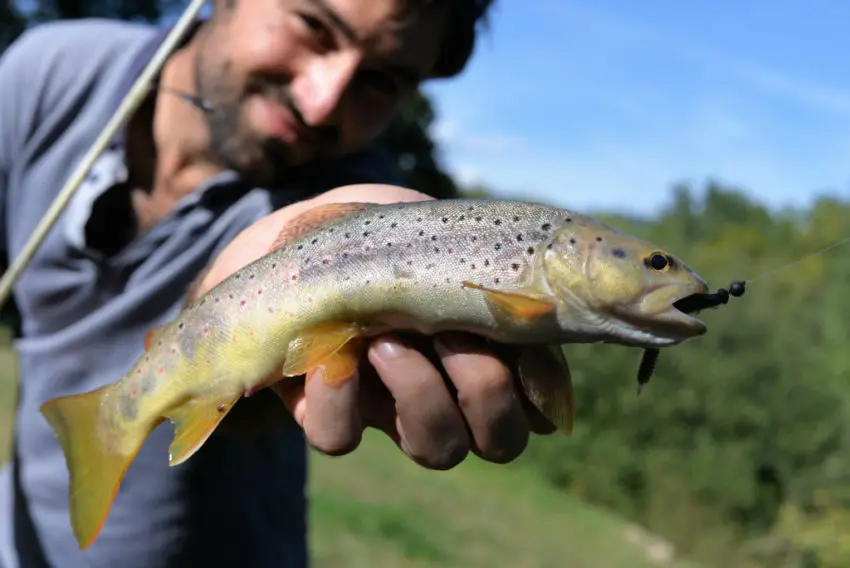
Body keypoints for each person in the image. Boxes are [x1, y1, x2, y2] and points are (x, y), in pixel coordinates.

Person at [0, 1, 556, 566]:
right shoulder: (49, 72)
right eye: (314, 27)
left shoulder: (361, 204)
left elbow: (263, 403)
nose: (322, 102)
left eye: (381, 81)